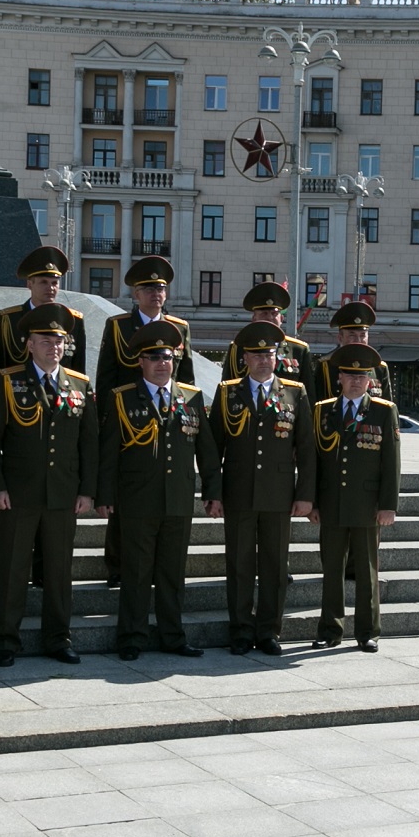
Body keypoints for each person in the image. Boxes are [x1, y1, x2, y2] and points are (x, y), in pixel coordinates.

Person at [96, 320, 218, 660]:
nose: (162, 363)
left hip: (178, 499)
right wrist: (104, 496)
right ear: (141, 362)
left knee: (172, 573)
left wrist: (212, 491)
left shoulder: (190, 398)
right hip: (136, 500)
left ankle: (172, 636)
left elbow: (206, 451)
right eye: (154, 358)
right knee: (135, 573)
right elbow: (108, 453)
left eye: (167, 357)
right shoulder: (121, 398)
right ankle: (131, 637)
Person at [0, 305, 96, 667]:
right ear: (29, 344)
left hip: (63, 494)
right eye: (46, 339)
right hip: (18, 493)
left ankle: (58, 638)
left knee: (59, 571)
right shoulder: (6, 380)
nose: (54, 345)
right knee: (12, 568)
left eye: (59, 339)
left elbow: (88, 443)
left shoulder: (79, 385)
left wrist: (86, 490)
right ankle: (3, 639)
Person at [207, 321, 315, 656]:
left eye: (269, 353)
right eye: (257, 354)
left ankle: (269, 630)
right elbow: (213, 448)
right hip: (238, 491)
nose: (264, 360)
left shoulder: (294, 392)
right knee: (239, 564)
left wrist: (305, 495)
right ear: (245, 359)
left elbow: (308, 448)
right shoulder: (227, 392)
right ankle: (240, 630)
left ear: (277, 356)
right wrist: (213, 493)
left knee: (274, 564)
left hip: (278, 493)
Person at [95, 256, 193, 588]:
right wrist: (106, 422)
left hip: (168, 421)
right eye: (148, 288)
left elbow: (188, 381)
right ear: (136, 294)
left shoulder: (180, 329)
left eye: (161, 288)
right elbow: (106, 376)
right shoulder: (119, 326)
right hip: (127, 423)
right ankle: (119, 564)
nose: (156, 293)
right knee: (125, 498)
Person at [309, 344, 401, 652]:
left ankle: (367, 631)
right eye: (350, 375)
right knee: (332, 569)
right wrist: (312, 501)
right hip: (331, 503)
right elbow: (313, 461)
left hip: (367, 505)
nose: (356, 381)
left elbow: (391, 462)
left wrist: (388, 505)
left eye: (362, 376)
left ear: (371, 380)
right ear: (340, 377)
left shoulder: (383, 411)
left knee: (366, 571)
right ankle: (330, 629)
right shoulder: (323, 410)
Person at [0, 246, 88, 376]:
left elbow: (78, 370)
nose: (51, 288)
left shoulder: (73, 320)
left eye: (54, 283)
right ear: (30, 284)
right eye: (44, 282)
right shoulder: (8, 320)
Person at [220, 280, 314, 389]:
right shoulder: (238, 348)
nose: (269, 318)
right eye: (264, 313)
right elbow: (226, 390)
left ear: (281, 318)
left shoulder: (299, 350)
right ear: (254, 318)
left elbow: (308, 394)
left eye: (274, 314)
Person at [310, 299, 392, 404]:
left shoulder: (379, 368)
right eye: (352, 335)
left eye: (362, 335)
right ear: (340, 337)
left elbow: (387, 408)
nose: (358, 340)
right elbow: (317, 407)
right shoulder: (326, 366)